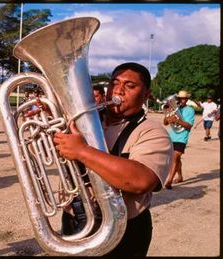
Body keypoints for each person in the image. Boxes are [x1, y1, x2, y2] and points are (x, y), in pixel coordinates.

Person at [53, 62, 173, 257]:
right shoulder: (80, 121)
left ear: (146, 94)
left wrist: (82, 151)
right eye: (114, 83)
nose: (118, 90)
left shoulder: (152, 131)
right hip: (74, 219)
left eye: (130, 86)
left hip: (124, 228)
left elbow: (141, 181)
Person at [163, 90, 195, 189]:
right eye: (181, 98)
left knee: (175, 157)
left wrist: (176, 120)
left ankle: (169, 181)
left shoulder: (190, 110)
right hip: (173, 136)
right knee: (177, 158)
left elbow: (189, 126)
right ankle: (180, 176)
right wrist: (167, 113)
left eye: (184, 98)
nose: (182, 100)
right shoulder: (174, 108)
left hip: (182, 137)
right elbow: (165, 123)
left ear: (187, 99)